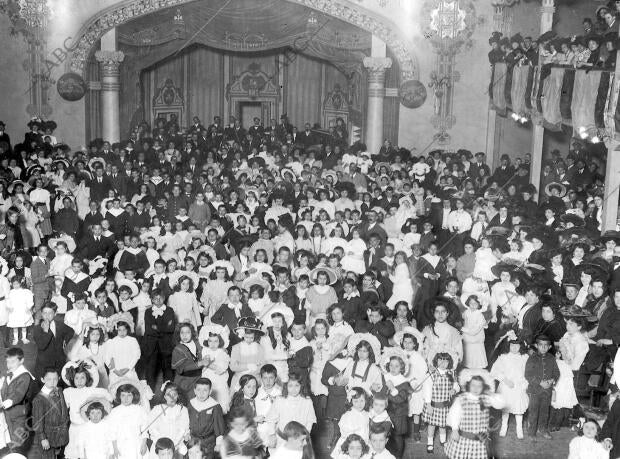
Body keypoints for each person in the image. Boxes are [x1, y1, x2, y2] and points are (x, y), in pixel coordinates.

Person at [444, 375, 504, 459]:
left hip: (480, 440)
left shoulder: (486, 398)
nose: (476, 388)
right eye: (473, 385)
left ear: (483, 388)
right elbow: (454, 414)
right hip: (464, 438)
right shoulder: (462, 399)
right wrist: (454, 429)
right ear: (469, 386)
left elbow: (501, 404)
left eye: (479, 386)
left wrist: (492, 394)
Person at [490, 336, 529, 439]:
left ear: (520, 346)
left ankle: (519, 428)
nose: (515, 348)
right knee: (506, 408)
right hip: (507, 385)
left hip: (519, 386)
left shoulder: (524, 358)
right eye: (512, 345)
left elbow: (528, 372)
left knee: (518, 408)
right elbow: (495, 371)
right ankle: (504, 426)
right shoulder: (503, 357)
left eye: (517, 345)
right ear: (509, 346)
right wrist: (505, 380)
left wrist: (524, 383)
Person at [525, 334, 560, 439]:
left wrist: (552, 380)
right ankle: (532, 433)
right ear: (536, 346)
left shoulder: (552, 358)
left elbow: (556, 372)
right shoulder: (532, 358)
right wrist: (540, 382)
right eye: (541, 345)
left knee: (545, 412)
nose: (543, 347)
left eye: (546, 345)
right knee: (533, 412)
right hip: (535, 390)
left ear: (550, 347)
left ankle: (543, 429)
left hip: (547, 391)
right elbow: (528, 374)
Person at [422, 352, 458, 453]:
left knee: (443, 425)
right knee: (432, 425)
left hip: (445, 406)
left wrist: (454, 389)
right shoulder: (431, 374)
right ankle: (430, 442)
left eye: (446, 360)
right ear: (436, 361)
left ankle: (443, 441)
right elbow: (427, 390)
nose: (442, 363)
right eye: (440, 360)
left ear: (449, 362)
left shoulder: (451, 373)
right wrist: (428, 404)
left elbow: (456, 385)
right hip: (433, 405)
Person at [30, 368, 69, 459]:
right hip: (48, 436)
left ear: (59, 378)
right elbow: (37, 422)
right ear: (42, 379)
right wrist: (43, 438)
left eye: (55, 379)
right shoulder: (39, 399)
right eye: (49, 379)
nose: (52, 382)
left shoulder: (59, 390)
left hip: (61, 434)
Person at [1, 347, 33, 453]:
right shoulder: (8, 374)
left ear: (21, 360)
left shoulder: (25, 376)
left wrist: (3, 404)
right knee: (8, 440)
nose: (9, 365)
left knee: (17, 442)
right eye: (8, 362)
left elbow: (18, 395)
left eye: (13, 361)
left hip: (19, 415)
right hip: (7, 414)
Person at [146, 382, 190, 457]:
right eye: (168, 395)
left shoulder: (182, 409)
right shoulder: (157, 409)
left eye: (174, 394)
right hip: (160, 445)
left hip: (176, 445)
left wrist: (174, 444)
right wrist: (162, 443)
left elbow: (183, 428)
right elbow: (152, 428)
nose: (172, 397)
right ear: (164, 396)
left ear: (178, 396)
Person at [187, 378, 225, 459]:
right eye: (199, 390)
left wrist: (218, 443)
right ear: (194, 391)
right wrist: (187, 433)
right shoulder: (191, 403)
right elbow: (187, 420)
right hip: (194, 439)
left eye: (205, 390)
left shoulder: (215, 406)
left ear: (210, 391)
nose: (201, 393)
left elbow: (219, 425)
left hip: (209, 441)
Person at [330, 387, 369, 457]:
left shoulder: (366, 414)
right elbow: (345, 432)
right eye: (356, 401)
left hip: (363, 443)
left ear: (365, 400)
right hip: (350, 444)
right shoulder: (347, 416)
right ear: (351, 401)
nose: (359, 404)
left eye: (361, 401)